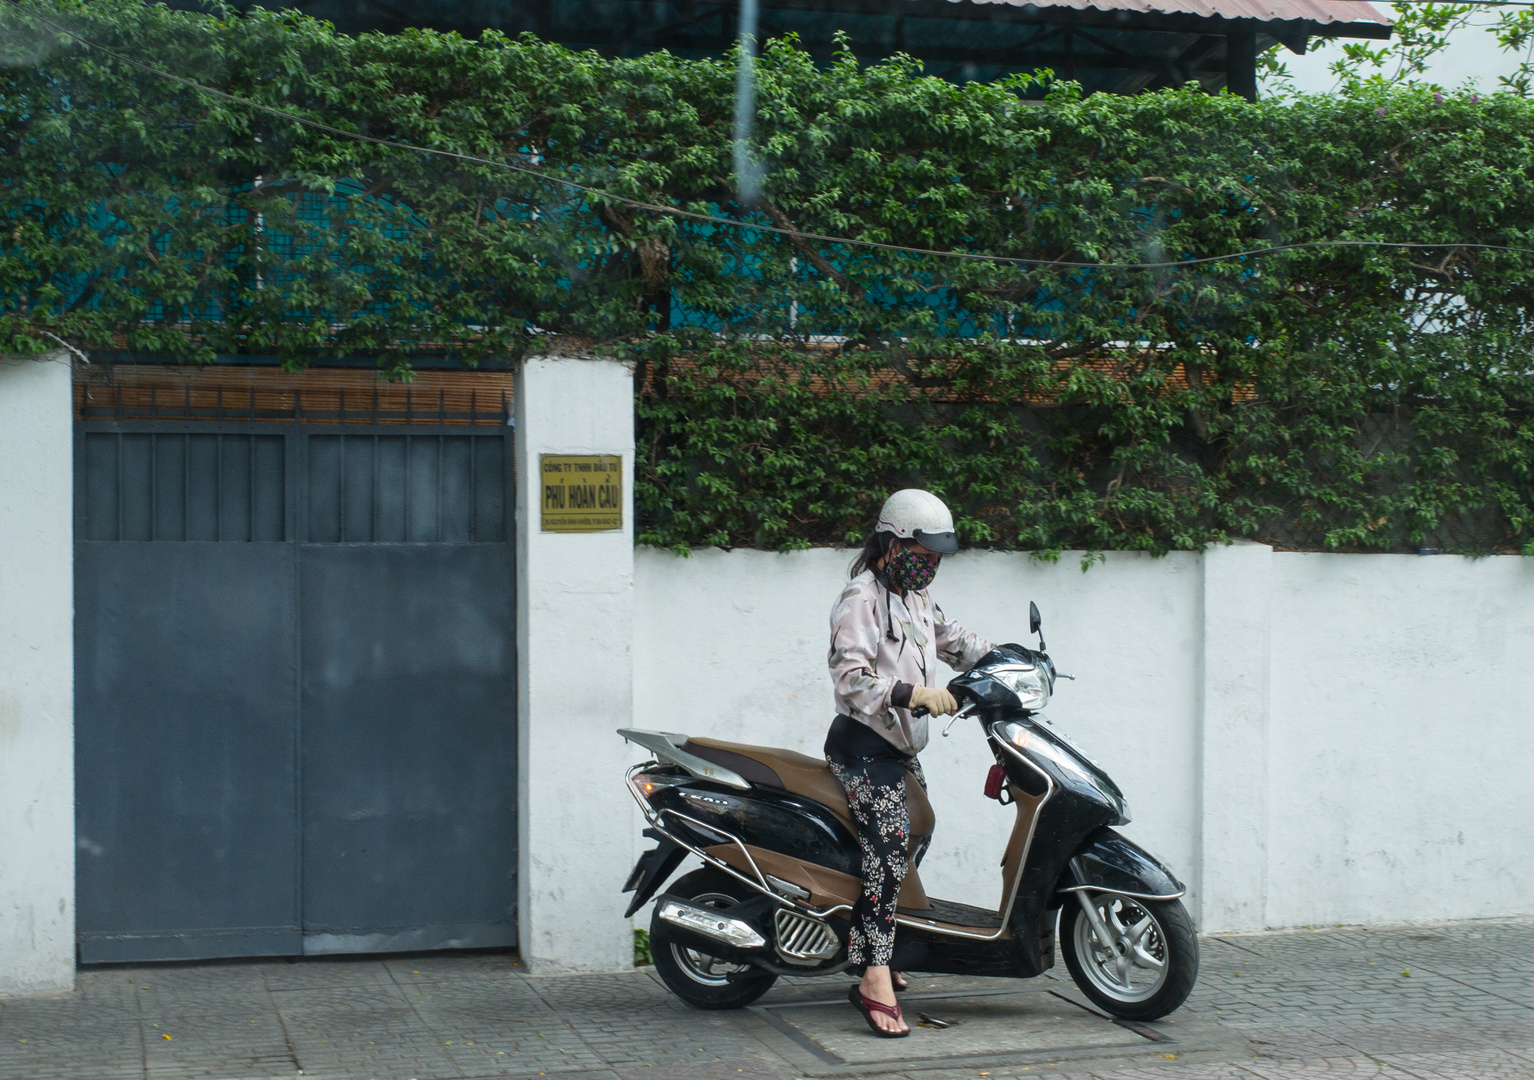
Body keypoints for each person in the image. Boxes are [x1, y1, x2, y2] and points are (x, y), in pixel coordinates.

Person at [826, 489, 994, 1037]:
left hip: (898, 749)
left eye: (939, 555)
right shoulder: (861, 597)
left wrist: (1003, 658)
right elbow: (850, 679)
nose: (933, 564)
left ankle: (877, 941)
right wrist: (912, 695)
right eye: (926, 552)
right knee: (891, 849)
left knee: (919, 832)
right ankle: (873, 973)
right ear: (893, 541)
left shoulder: (915, 596)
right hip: (862, 745)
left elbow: (947, 638)